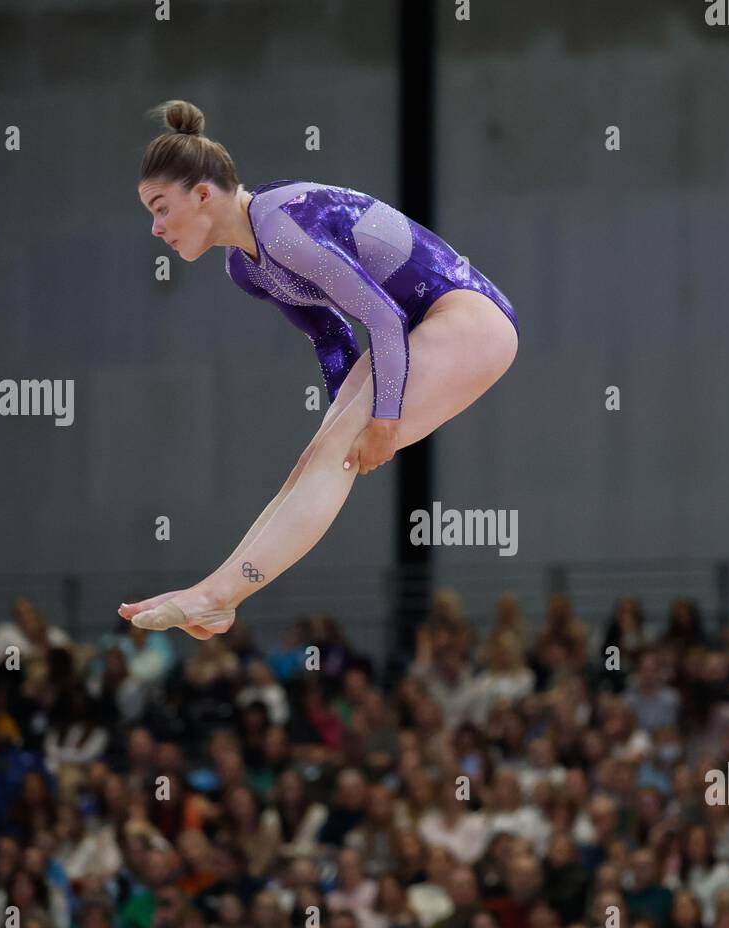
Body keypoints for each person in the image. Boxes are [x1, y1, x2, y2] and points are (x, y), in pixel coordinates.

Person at [120, 99, 521, 639]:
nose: (156, 228)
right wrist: (343, 422)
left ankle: (217, 596)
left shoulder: (280, 225)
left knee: (337, 452)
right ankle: (216, 592)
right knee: (315, 458)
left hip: (469, 318)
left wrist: (382, 419)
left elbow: (382, 316)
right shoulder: (245, 266)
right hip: (417, 330)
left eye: (160, 208)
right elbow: (331, 336)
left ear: (202, 194)